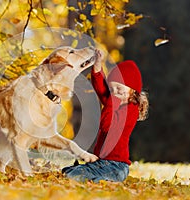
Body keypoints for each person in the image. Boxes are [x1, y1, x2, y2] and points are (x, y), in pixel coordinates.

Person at [62, 50, 149, 183]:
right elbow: (101, 88)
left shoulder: (130, 110)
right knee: (68, 171)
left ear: (132, 91)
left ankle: (102, 180)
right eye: (112, 89)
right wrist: (97, 65)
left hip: (116, 166)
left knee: (74, 175)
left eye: (119, 90)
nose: (114, 94)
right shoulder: (116, 102)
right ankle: (96, 177)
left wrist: (111, 101)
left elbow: (106, 125)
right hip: (103, 162)